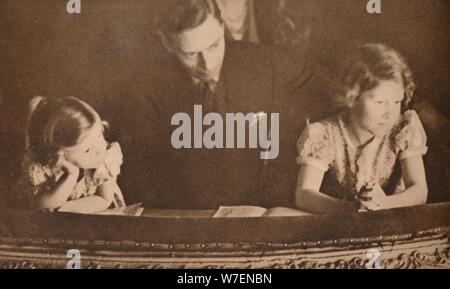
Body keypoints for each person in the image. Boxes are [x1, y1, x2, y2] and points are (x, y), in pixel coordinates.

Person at [108, 0, 324, 209]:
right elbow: (143, 178)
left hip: (262, 209)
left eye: (214, 45)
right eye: (191, 54)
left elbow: (320, 112)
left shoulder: (270, 64)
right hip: (186, 218)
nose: (208, 63)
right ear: (167, 42)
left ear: (222, 27)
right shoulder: (143, 89)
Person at [295, 43, 428, 214]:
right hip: (340, 221)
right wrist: (351, 209)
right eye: (380, 102)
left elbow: (419, 191)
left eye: (397, 102)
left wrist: (382, 204)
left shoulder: (403, 129)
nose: (390, 114)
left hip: (394, 222)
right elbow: (304, 194)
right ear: (352, 96)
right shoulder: (325, 134)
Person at [20, 96, 125, 213]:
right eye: (87, 150)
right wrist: (71, 175)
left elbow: (104, 198)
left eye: (100, 136)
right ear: (60, 154)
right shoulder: (44, 167)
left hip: (96, 212)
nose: (99, 150)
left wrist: (68, 208)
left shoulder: (105, 156)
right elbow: (41, 207)